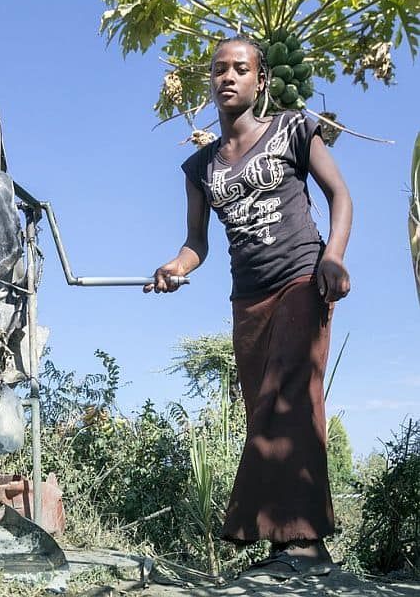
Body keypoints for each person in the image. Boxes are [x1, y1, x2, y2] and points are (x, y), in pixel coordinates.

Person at [145, 35, 353, 577]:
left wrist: (332, 258)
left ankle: (307, 543)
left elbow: (340, 196)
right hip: (249, 300)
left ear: (261, 81)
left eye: (241, 68)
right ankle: (283, 544)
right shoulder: (200, 167)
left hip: (303, 280)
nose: (228, 77)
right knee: (263, 409)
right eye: (219, 70)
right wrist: (175, 268)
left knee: (292, 399)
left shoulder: (293, 128)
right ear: (210, 82)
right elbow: (197, 243)